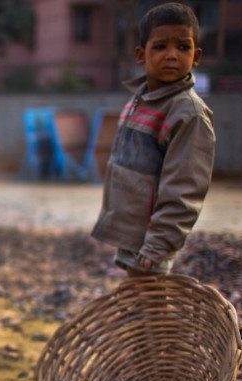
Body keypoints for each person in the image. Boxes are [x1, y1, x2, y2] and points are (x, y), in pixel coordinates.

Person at [91, 2, 215, 277]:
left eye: (183, 47)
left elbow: (185, 188)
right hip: (133, 232)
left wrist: (158, 244)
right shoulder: (143, 100)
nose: (172, 55)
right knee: (140, 302)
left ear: (196, 55)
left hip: (152, 238)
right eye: (160, 47)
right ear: (140, 54)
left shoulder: (187, 114)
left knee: (151, 304)